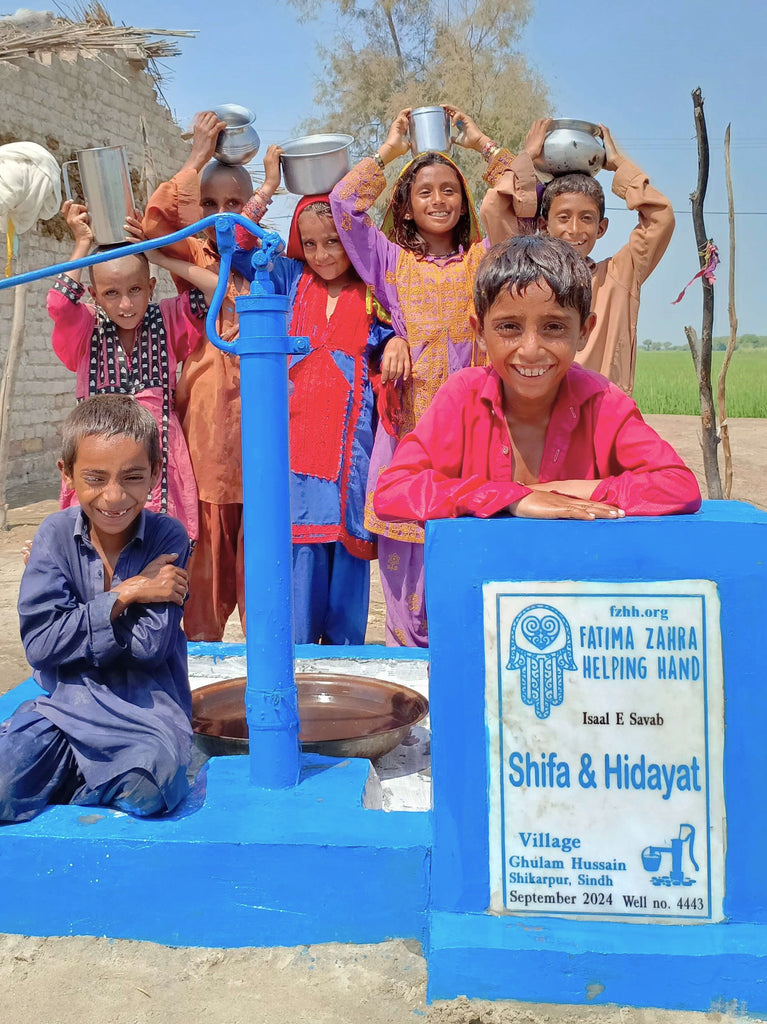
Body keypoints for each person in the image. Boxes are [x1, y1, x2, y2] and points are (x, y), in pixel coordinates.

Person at [330, 104, 528, 647]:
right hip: (408, 433)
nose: (438, 200)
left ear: (464, 201)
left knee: (466, 559)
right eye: (425, 192)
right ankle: (410, 677)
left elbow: (525, 204)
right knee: (405, 570)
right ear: (407, 204)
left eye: (449, 190)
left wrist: (483, 145)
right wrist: (390, 150)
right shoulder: (390, 262)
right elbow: (343, 205)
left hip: (473, 433)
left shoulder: (487, 260)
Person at [373, 236, 701, 529]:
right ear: (480, 332)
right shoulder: (463, 396)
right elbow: (392, 492)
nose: (530, 350)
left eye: (554, 327)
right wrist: (506, 497)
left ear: (584, 331)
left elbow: (679, 486)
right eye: (509, 327)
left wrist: (560, 491)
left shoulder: (602, 401)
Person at [0, 395, 193, 824]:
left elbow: (150, 647)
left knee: (152, 787)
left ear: (155, 473)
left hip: (144, 717)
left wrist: (76, 626)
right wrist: (127, 594)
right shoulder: (53, 534)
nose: (114, 496)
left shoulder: (168, 538)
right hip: (64, 710)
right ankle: (84, 777)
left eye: (133, 477)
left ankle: (66, 780)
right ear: (67, 473)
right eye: (95, 478)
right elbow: (40, 644)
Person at [142, 113, 281, 640]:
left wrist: (268, 186)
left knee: (264, 549)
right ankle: (201, 653)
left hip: (263, 418)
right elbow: (155, 227)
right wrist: (197, 156)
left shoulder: (262, 256)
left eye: (233, 203)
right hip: (208, 419)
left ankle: (266, 654)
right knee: (207, 540)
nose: (221, 214)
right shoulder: (196, 247)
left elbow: (240, 233)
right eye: (208, 203)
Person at [234, 192, 394, 644]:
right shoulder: (290, 278)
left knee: (346, 550)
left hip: (351, 446)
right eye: (310, 243)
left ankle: (344, 662)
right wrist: (266, 188)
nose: (321, 254)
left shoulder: (373, 291)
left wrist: (396, 343)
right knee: (300, 549)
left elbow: (391, 335)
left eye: (333, 241)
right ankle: (299, 661)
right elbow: (238, 246)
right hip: (298, 445)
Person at [48, 200, 218, 542]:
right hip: (100, 463)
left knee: (157, 546)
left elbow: (216, 289)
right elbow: (59, 304)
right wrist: (82, 243)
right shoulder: (86, 328)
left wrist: (159, 256)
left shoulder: (167, 319)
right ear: (94, 295)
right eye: (111, 293)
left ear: (150, 288)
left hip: (159, 463)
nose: (125, 304)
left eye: (135, 290)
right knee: (100, 546)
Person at [481, 119, 675, 394]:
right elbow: (493, 208)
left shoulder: (617, 277)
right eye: (563, 217)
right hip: (536, 412)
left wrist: (619, 164)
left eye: (586, 218)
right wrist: (528, 157)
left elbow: (660, 218)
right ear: (544, 225)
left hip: (602, 413)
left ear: (601, 228)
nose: (574, 229)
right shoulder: (522, 272)